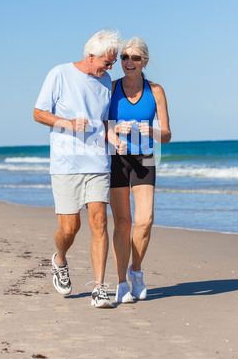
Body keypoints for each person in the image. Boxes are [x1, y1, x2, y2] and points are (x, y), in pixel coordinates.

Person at [33, 28, 123, 308]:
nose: (110, 68)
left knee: (100, 221)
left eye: (113, 63)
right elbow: (38, 113)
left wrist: (113, 138)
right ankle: (60, 260)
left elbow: (105, 121)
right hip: (66, 164)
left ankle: (99, 288)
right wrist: (69, 124)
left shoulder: (106, 81)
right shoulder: (59, 73)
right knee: (70, 228)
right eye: (107, 62)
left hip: (97, 162)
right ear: (90, 55)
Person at [108, 37, 172, 303]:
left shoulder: (155, 90)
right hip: (117, 159)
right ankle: (121, 283)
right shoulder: (110, 89)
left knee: (145, 221)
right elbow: (100, 126)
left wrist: (153, 131)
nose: (128, 62)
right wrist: (114, 131)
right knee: (123, 223)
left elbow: (167, 134)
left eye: (135, 58)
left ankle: (136, 271)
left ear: (145, 61)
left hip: (145, 157)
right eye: (124, 57)